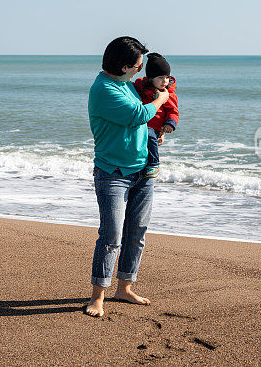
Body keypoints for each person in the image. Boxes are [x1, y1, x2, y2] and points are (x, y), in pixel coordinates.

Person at [85, 36, 170, 318]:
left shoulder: (124, 84)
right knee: (111, 235)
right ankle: (98, 296)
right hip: (113, 173)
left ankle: (124, 287)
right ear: (124, 66)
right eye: (138, 65)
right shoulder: (105, 90)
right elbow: (138, 115)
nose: (140, 69)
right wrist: (161, 99)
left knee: (137, 232)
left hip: (141, 171)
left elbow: (143, 104)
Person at [132, 53, 179, 179]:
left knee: (148, 134)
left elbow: (173, 111)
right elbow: (130, 86)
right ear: (151, 78)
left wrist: (170, 124)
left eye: (167, 77)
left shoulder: (167, 93)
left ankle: (154, 164)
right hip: (141, 123)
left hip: (154, 128)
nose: (165, 81)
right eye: (160, 77)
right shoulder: (141, 87)